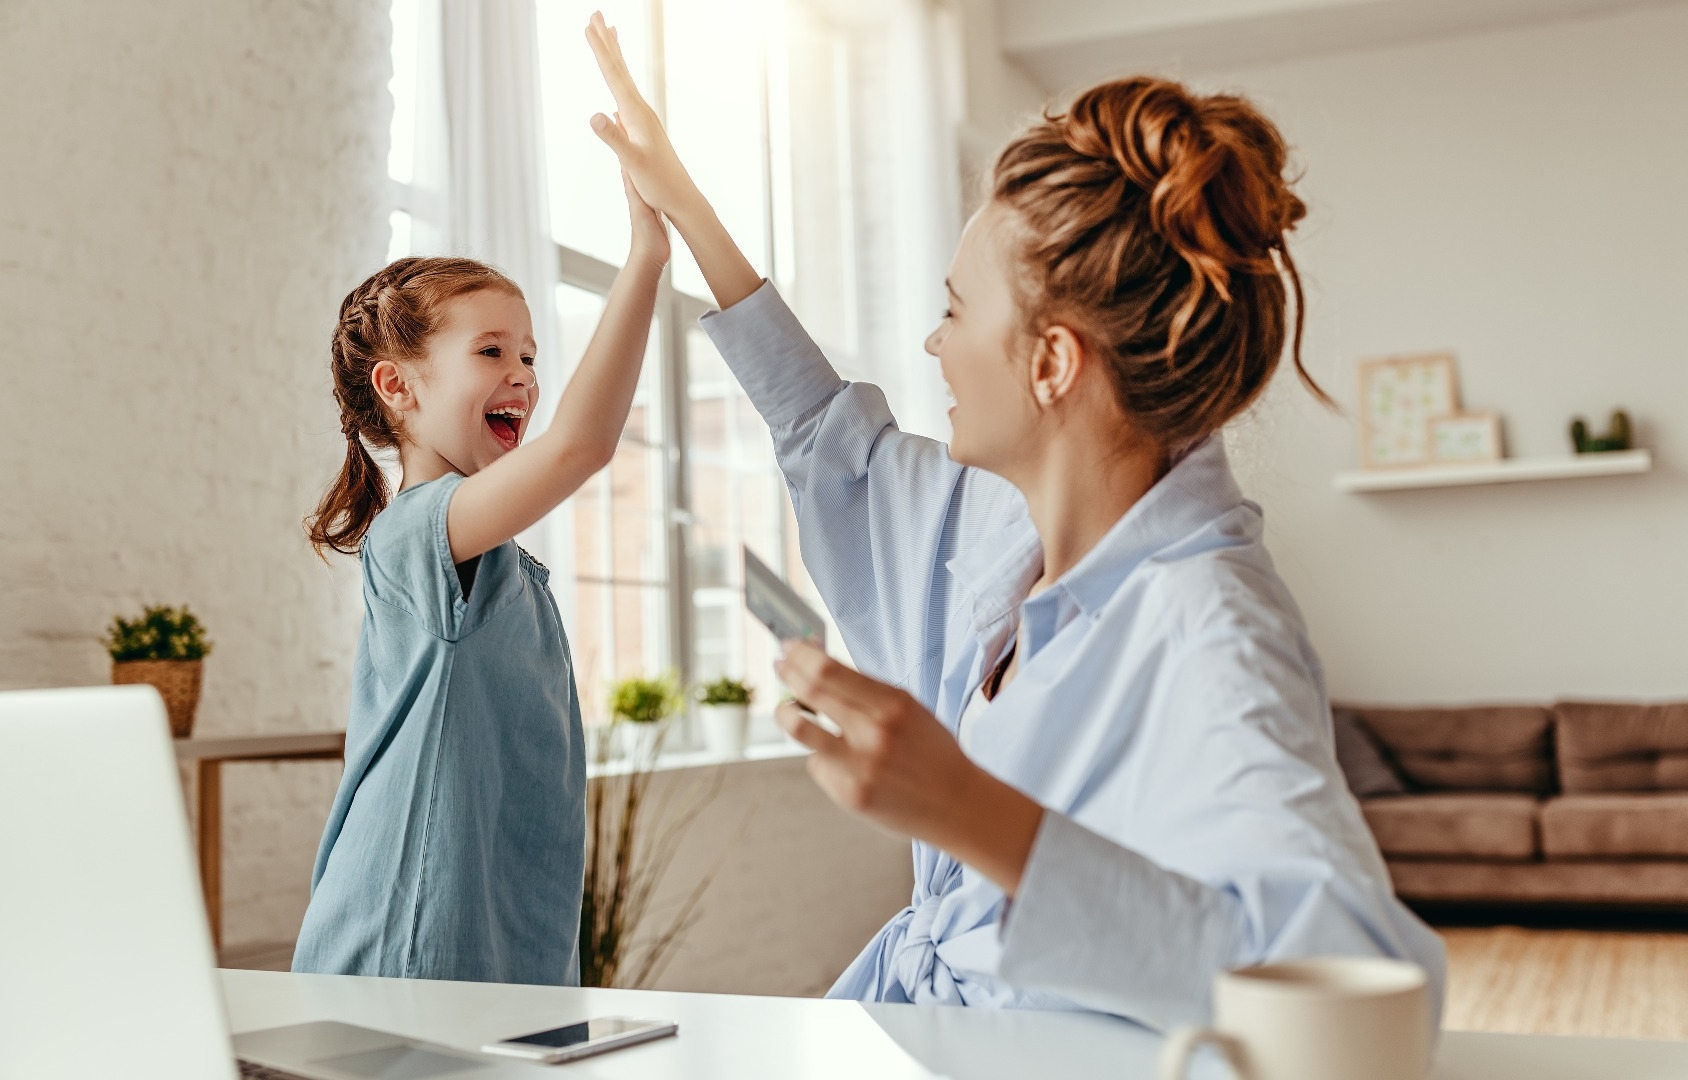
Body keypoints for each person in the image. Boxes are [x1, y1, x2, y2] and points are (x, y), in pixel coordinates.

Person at [584, 14, 1445, 1028]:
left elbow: (1353, 983)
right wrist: (686, 206)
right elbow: (829, 436)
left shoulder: (1212, 628)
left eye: (954, 309)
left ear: (1050, 362)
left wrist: (964, 808)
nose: (933, 344)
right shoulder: (993, 529)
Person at [289, 175, 669, 984]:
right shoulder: (414, 535)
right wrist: (646, 257)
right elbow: (579, 447)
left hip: (501, 947)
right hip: (410, 938)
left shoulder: (503, 564)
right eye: (491, 351)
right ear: (399, 386)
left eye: (530, 354)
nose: (525, 374)